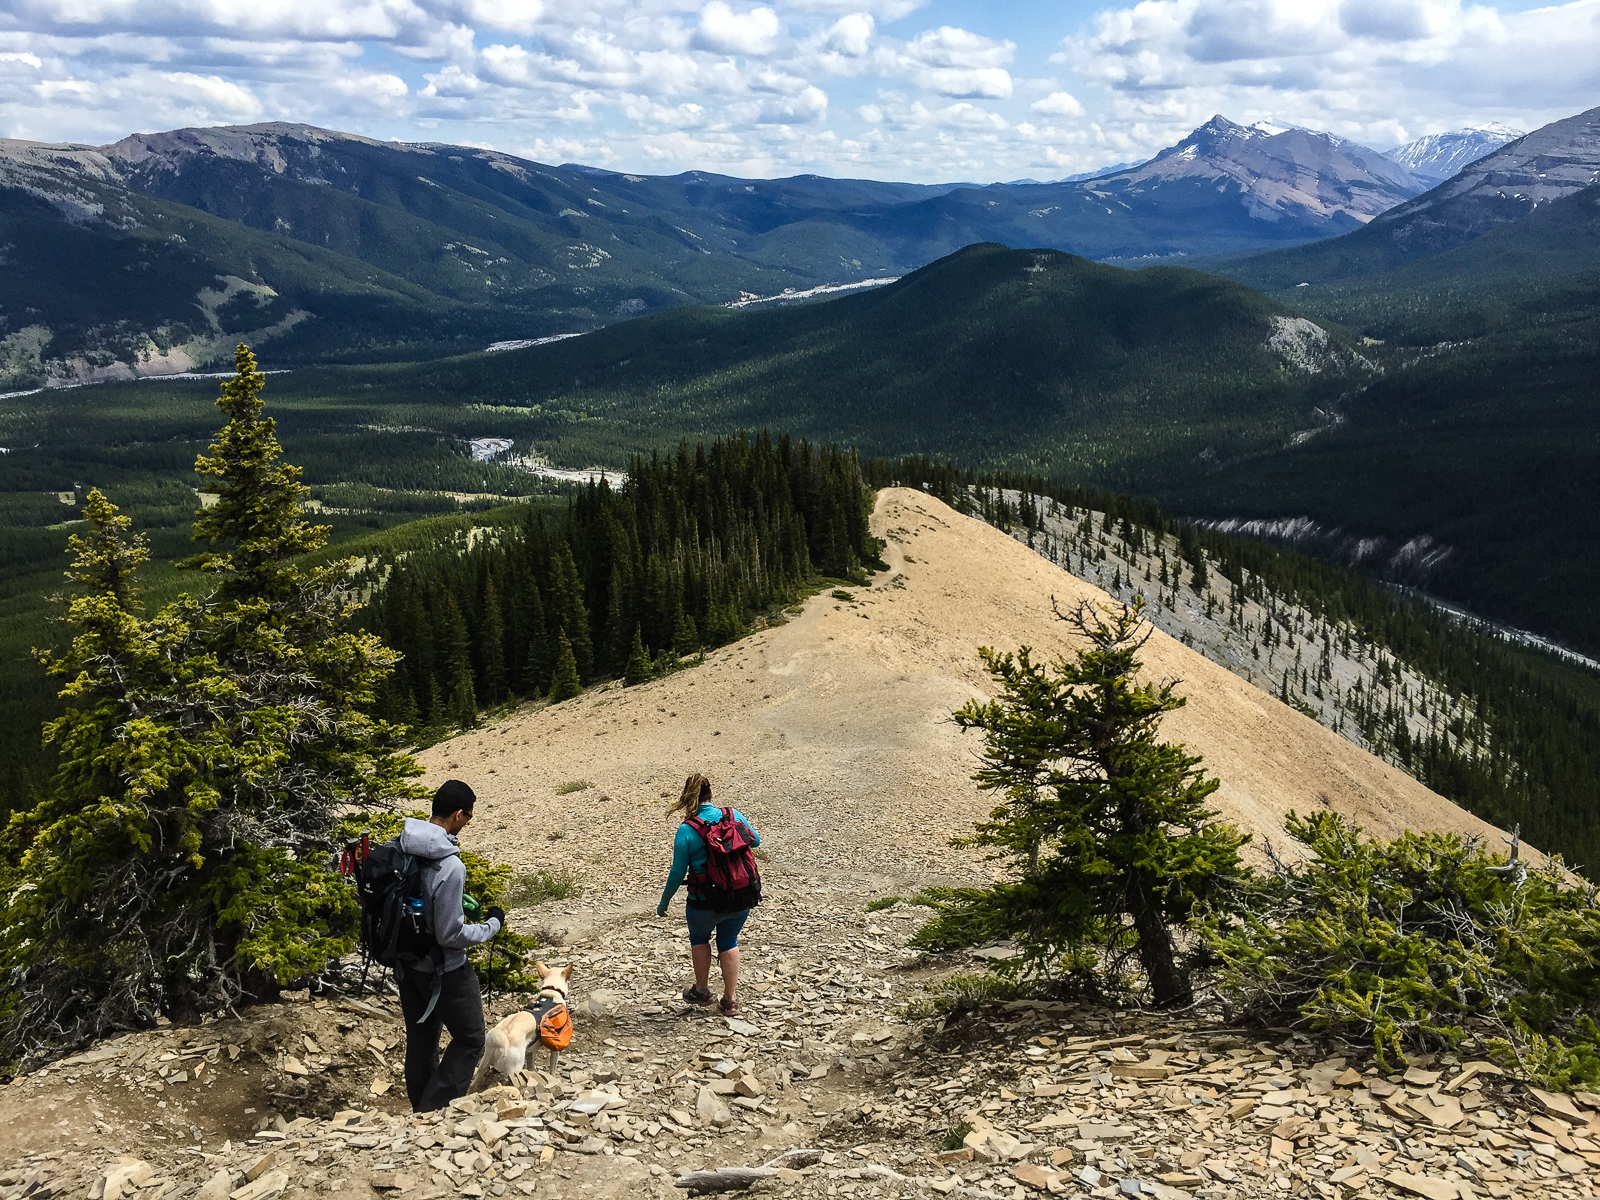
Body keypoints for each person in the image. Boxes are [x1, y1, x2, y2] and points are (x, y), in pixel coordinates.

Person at [397, 779, 506, 1111]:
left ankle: (419, 1105)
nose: (467, 824)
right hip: (444, 969)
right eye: (469, 817)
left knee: (421, 1037)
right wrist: (491, 926)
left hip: (405, 962)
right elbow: (450, 934)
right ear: (458, 814)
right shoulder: (450, 865)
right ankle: (434, 1109)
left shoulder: (402, 844)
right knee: (471, 1039)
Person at [656, 773, 761, 1016]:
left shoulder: (687, 830)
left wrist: (664, 902)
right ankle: (730, 1001)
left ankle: (701, 991)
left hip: (703, 902)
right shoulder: (732, 815)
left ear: (687, 798)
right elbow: (755, 841)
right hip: (739, 896)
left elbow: (677, 872)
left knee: (699, 940)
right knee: (729, 941)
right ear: (711, 795)